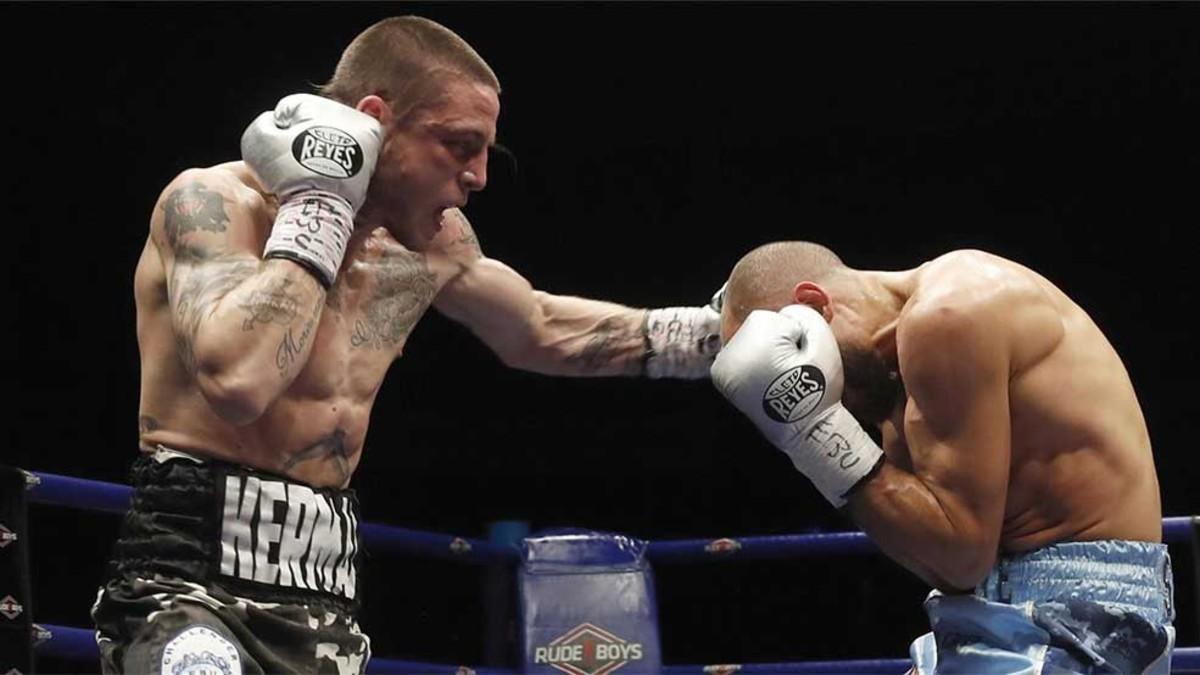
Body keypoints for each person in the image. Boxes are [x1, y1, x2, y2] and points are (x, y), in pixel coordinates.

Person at [91, 15, 720, 675]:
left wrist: (708, 339)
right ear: (373, 119)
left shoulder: (432, 248)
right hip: (187, 585)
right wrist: (321, 207)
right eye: (458, 144)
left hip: (322, 596)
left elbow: (540, 327)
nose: (476, 176)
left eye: (485, 153)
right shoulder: (213, 204)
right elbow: (238, 382)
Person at [710, 241, 1174, 674]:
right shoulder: (890, 362)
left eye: (797, 366)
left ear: (813, 306)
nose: (823, 391)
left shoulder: (948, 315)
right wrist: (650, 339)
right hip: (996, 616)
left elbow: (960, 558)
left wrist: (815, 431)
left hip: (1079, 618)